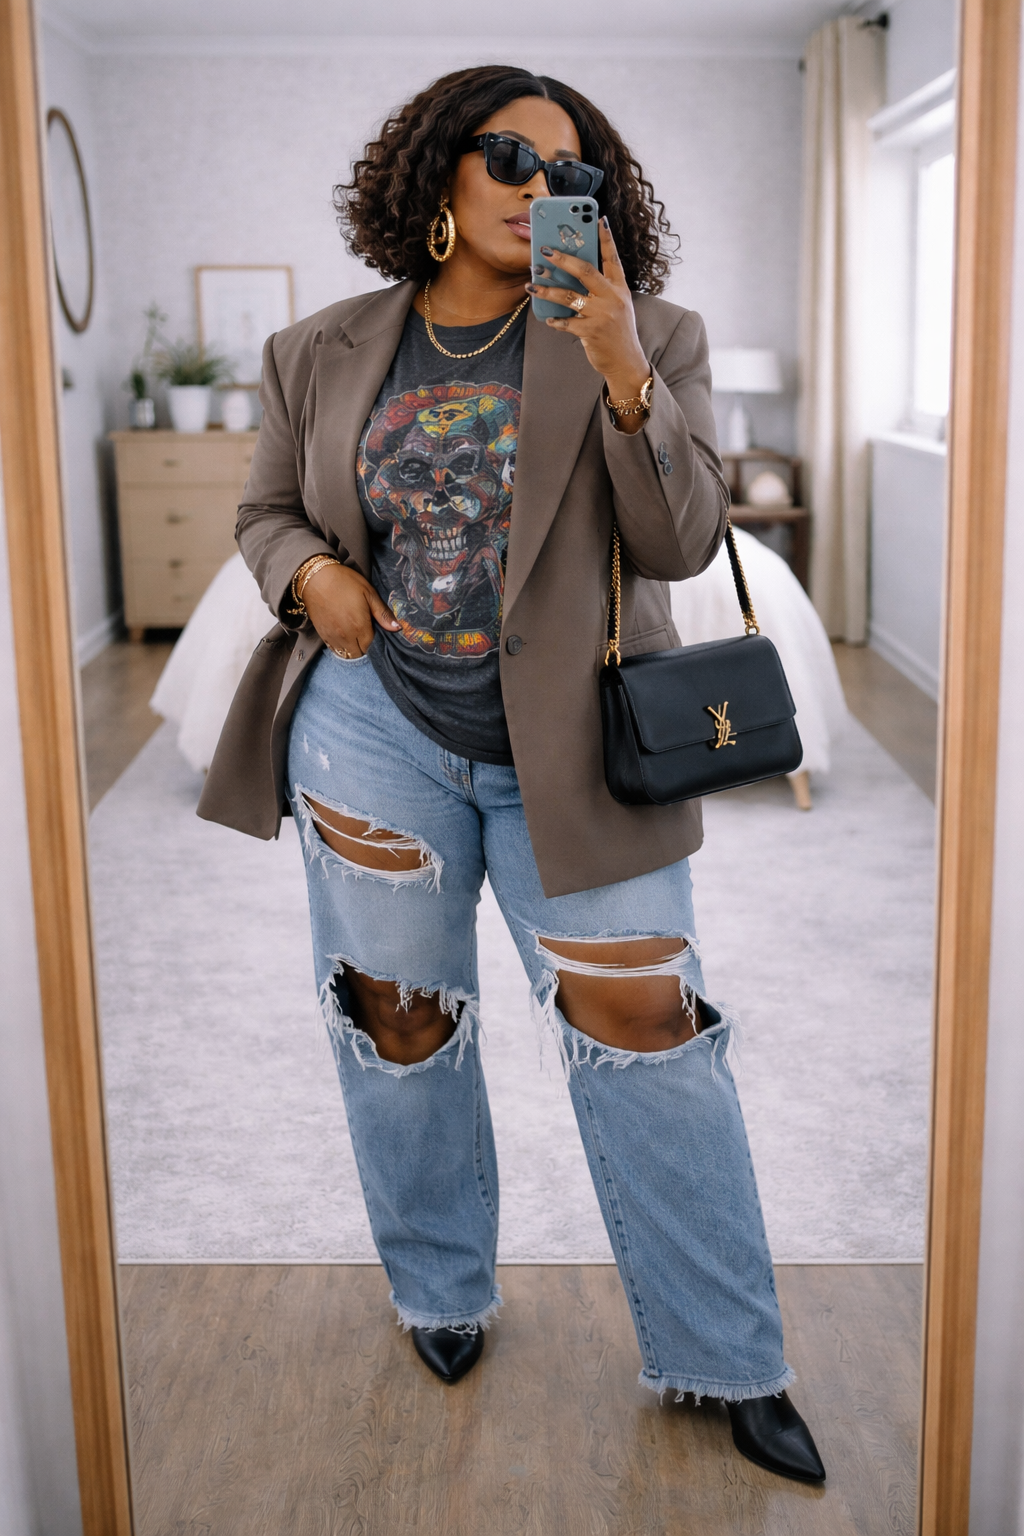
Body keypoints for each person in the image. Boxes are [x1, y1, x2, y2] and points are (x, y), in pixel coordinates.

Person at [198, 65, 825, 1485]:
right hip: (371, 728)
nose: (537, 184)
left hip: (576, 741)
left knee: (649, 1035)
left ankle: (728, 1352)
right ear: (436, 172)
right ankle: (440, 1288)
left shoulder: (653, 331)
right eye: (505, 153)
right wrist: (309, 575)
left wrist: (616, 358)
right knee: (398, 1023)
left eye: (570, 167)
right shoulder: (319, 347)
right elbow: (264, 508)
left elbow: (676, 542)